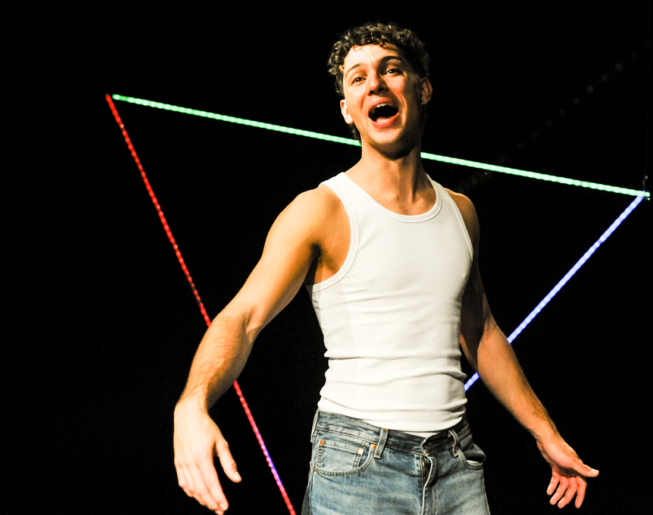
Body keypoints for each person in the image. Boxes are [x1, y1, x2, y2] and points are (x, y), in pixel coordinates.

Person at [173, 22, 599, 515]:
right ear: (347, 113)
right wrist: (192, 404)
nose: (374, 84)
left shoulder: (461, 211)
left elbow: (479, 332)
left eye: (390, 70)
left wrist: (546, 434)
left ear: (422, 89)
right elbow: (243, 317)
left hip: (457, 463)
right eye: (357, 79)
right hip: (358, 464)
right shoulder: (321, 209)